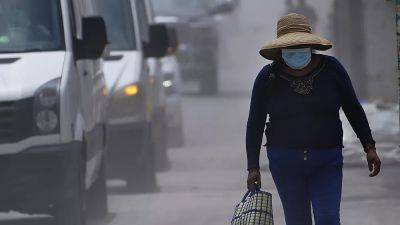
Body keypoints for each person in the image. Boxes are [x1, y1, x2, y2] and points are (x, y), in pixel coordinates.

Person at [245, 13, 381, 225]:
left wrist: (369, 146)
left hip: (327, 159)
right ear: (281, 50)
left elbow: (353, 108)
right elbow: (255, 122)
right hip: (285, 161)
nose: (295, 53)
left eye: (300, 47)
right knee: (297, 220)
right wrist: (252, 166)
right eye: (290, 49)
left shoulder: (332, 69)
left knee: (328, 218)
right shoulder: (267, 77)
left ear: (310, 45)